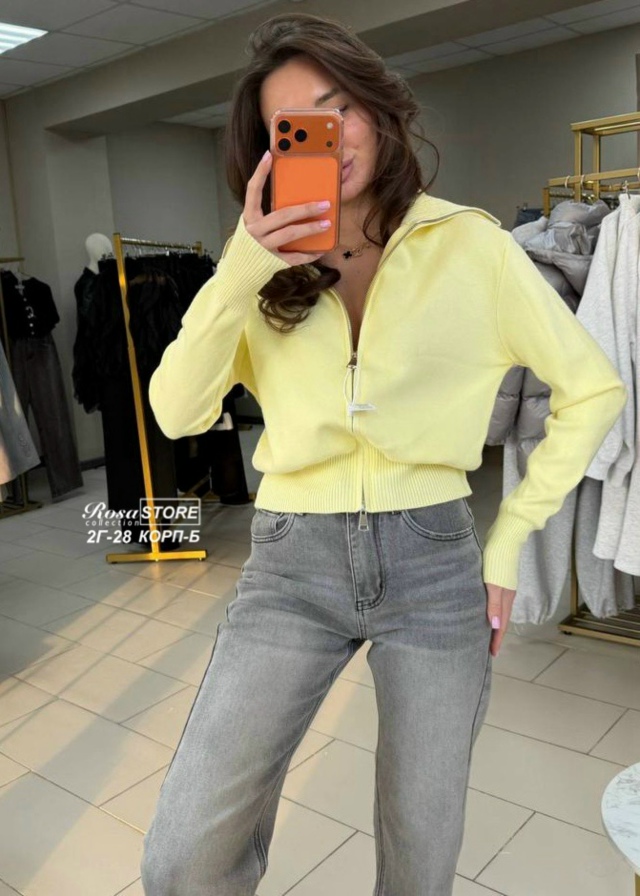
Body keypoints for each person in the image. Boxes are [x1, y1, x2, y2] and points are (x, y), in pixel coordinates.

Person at [140, 13, 626, 896]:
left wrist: (509, 536)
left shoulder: (471, 244)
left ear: (376, 108)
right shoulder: (257, 268)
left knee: (419, 852)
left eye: (338, 107)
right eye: (295, 126)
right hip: (290, 567)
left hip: (435, 565)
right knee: (183, 856)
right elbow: (175, 414)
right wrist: (244, 263)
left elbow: (594, 388)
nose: (328, 135)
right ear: (269, 152)